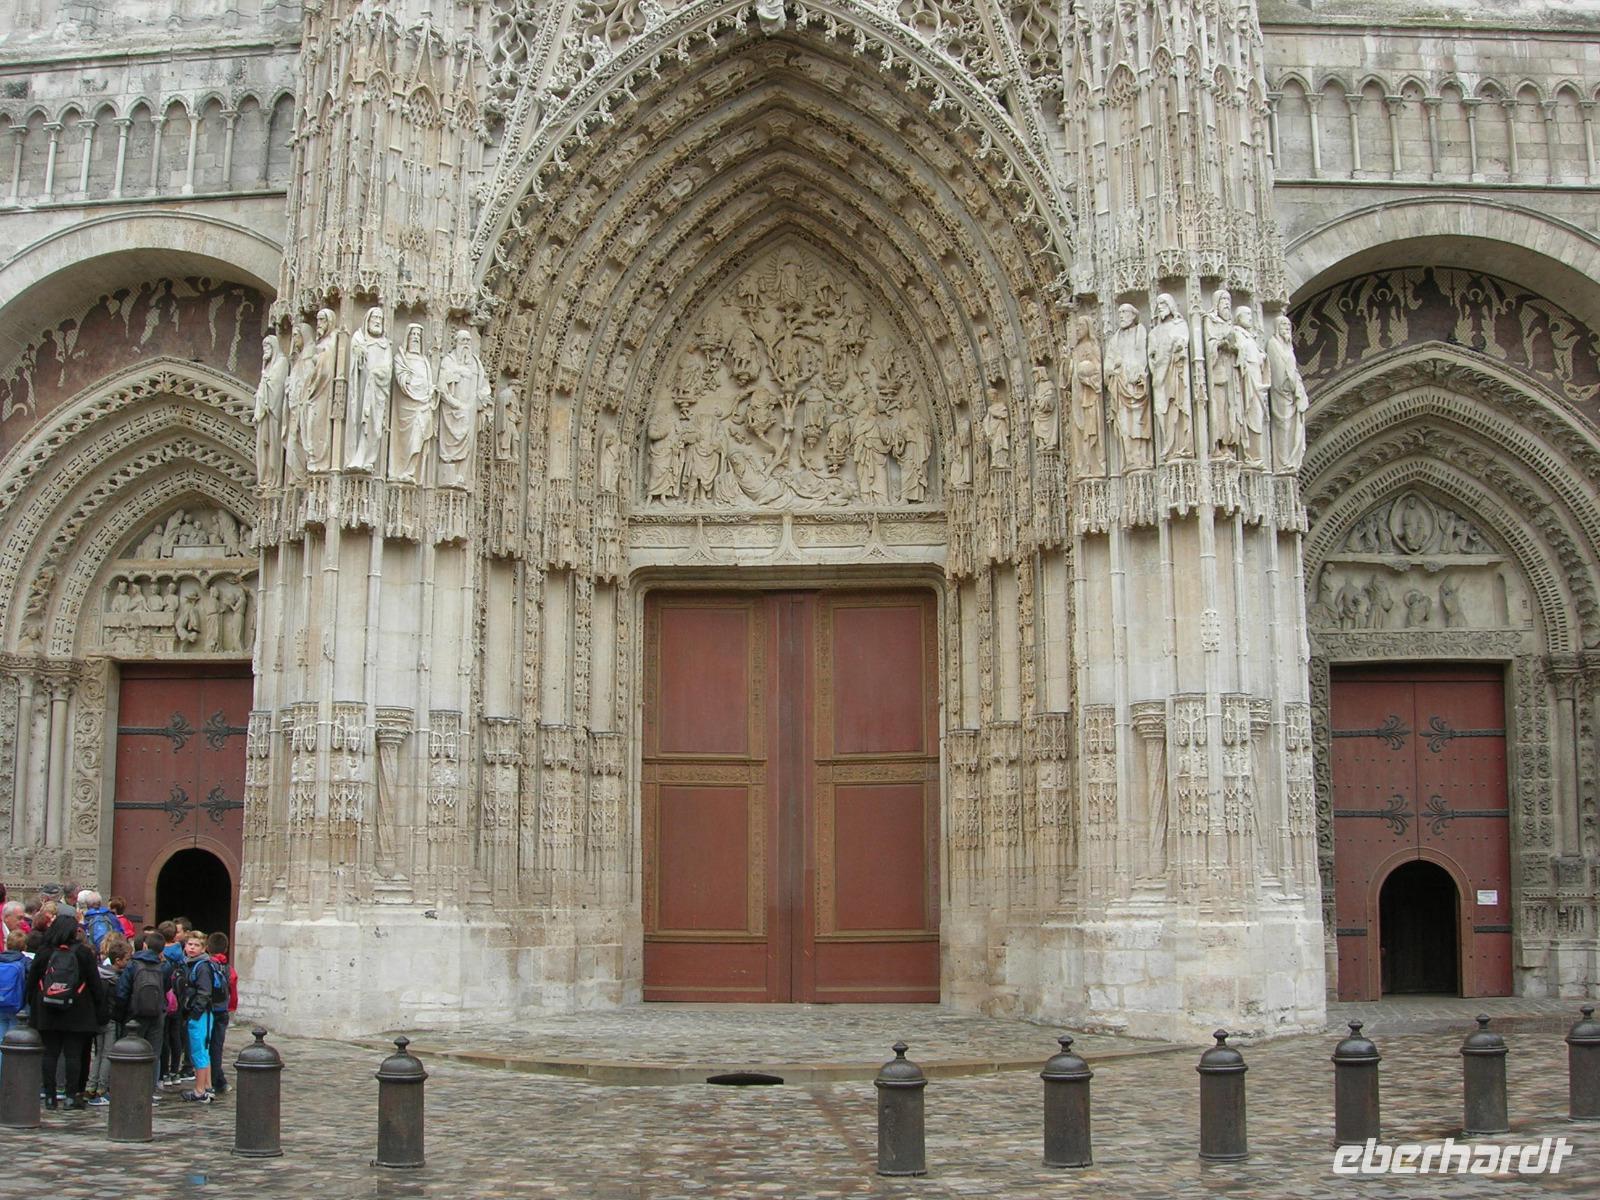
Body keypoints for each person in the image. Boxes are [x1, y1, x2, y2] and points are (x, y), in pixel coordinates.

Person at [25, 914, 107, 1109]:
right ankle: (72, 1096)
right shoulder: (84, 953)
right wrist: (100, 1011)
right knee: (74, 1055)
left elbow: (32, 981)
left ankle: (50, 1096)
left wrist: (32, 1005)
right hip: (77, 1010)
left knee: (49, 1054)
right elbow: (95, 984)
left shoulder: (44, 951)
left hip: (47, 1009)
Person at [115, 930, 174, 1100]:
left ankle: (128, 1087)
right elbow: (167, 988)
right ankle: (150, 1090)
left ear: (145, 945)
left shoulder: (133, 964)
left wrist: (122, 1012)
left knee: (130, 1050)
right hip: (157, 1013)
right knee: (153, 1053)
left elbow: (122, 991)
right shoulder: (165, 966)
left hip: (134, 1014)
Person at [85, 935, 129, 1106]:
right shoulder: (115, 977)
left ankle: (91, 1086)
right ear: (118, 961)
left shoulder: (99, 973)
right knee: (107, 1054)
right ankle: (102, 1089)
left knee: (98, 1054)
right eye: (126, 959)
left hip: (98, 1018)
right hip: (110, 1019)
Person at [178, 931, 218, 1103]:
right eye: (189, 944)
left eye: (196, 945)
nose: (192, 948)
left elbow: (204, 993)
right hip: (201, 1014)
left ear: (203, 948)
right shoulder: (192, 964)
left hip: (201, 1015)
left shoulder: (201, 966)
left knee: (198, 1051)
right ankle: (207, 1086)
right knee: (203, 1050)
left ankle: (200, 1090)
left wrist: (194, 1013)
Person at [205, 931, 238, 1094]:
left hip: (208, 1010)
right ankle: (217, 1079)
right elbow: (233, 992)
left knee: (205, 1045)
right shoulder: (228, 968)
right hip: (221, 1010)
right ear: (225, 949)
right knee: (216, 1046)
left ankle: (212, 1079)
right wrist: (230, 1008)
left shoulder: (205, 965)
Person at [0, 927, 27, 1038]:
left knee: (1, 1033)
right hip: (17, 1004)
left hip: (1, 1003)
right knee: (13, 1035)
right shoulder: (25, 961)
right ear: (24, 946)